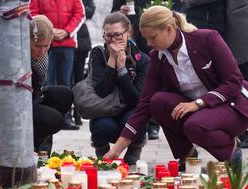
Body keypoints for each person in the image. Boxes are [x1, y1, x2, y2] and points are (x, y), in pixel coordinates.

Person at [104, 6, 248, 168]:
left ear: (169, 29)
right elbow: (144, 105)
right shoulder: (158, 58)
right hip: (199, 110)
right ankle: (187, 155)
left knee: (194, 125)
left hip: (233, 105)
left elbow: (233, 82)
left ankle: (231, 150)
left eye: (153, 37)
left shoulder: (207, 39)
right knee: (157, 102)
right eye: (146, 39)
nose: (149, 44)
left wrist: (198, 103)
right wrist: (116, 150)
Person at [0, 15, 73, 154]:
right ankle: (19, 147)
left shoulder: (44, 46)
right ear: (25, 39)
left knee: (64, 94)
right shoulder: (12, 53)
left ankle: (40, 146)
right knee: (54, 120)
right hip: (9, 101)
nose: (42, 51)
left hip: (33, 93)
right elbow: (0, 90)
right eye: (37, 46)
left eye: (46, 46)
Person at [89, 12, 149, 164]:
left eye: (117, 35)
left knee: (134, 118)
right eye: (108, 36)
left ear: (128, 33)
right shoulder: (98, 54)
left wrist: (122, 69)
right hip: (105, 110)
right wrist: (111, 60)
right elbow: (101, 91)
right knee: (102, 126)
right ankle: (102, 150)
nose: (113, 40)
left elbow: (136, 100)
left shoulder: (142, 60)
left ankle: (135, 148)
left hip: (129, 111)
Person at [29, 0, 85, 130]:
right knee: (44, 81)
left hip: (67, 42)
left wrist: (67, 31)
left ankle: (65, 119)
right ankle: (45, 116)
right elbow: (32, 13)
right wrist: (49, 31)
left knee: (65, 82)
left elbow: (79, 14)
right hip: (45, 40)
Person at [112, 0, 161, 140]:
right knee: (140, 85)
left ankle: (153, 125)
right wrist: (120, 12)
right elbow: (112, 15)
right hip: (130, 39)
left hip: (152, 37)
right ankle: (138, 122)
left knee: (156, 83)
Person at [72, 0, 95, 126]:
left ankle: (77, 114)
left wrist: (76, 10)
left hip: (81, 40)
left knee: (79, 80)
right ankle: (67, 114)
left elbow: (91, 11)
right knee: (65, 81)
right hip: (66, 40)